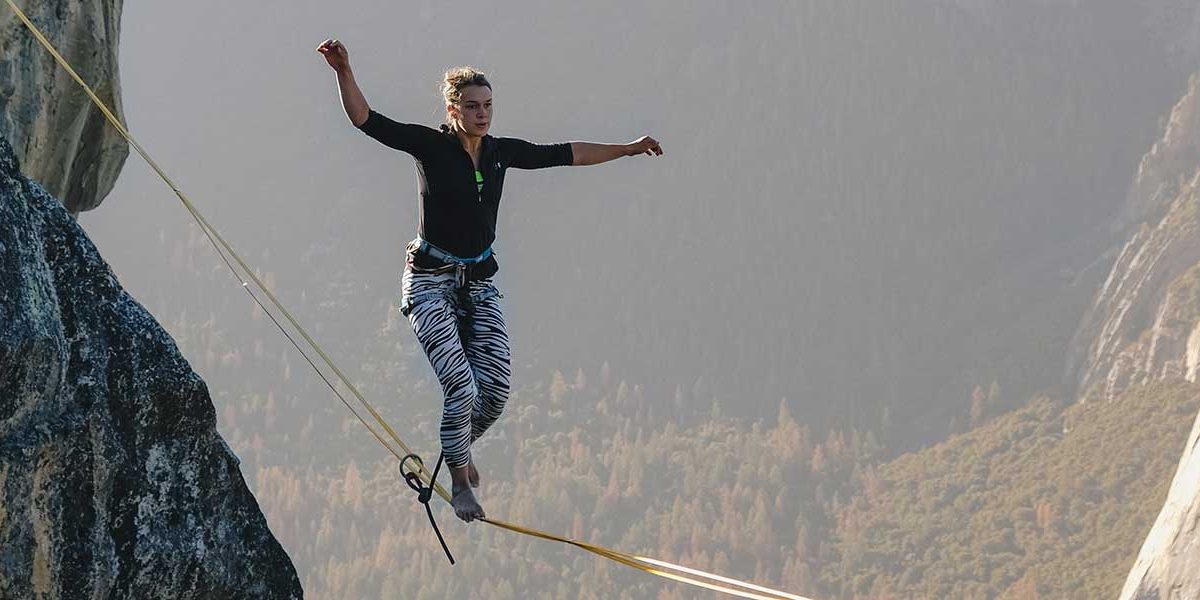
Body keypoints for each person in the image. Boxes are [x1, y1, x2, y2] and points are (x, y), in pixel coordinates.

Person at [317, 38, 663, 523]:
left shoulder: (500, 152)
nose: (482, 114)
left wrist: (627, 149)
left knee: (495, 392)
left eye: (488, 106)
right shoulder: (432, 148)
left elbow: (567, 154)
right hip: (430, 282)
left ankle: (456, 448)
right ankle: (460, 483)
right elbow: (367, 121)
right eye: (472, 107)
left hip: (478, 283)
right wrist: (344, 71)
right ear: (452, 109)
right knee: (461, 386)